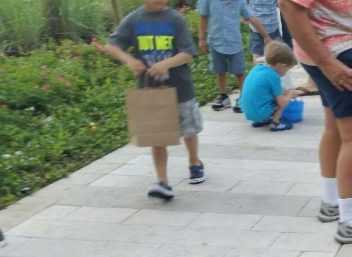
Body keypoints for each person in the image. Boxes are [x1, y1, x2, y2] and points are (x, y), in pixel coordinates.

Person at [280, 0, 352, 244]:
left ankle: (333, 203)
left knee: (336, 129)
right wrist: (327, 63)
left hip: (337, 46)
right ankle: (350, 222)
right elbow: (289, 5)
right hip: (336, 52)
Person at [95, 0, 205, 200]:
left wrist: (166, 64)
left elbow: (187, 53)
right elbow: (112, 46)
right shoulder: (134, 19)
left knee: (189, 130)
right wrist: (129, 60)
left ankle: (194, 161)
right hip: (151, 90)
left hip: (180, 87)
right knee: (157, 137)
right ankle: (163, 182)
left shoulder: (175, 19)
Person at [198, 0, 271, 113]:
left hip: (234, 42)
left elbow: (251, 17)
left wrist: (265, 36)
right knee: (220, 70)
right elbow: (203, 17)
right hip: (215, 41)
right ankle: (223, 96)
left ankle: (243, 98)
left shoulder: (239, 2)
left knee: (239, 71)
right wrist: (201, 39)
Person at [241, 41, 302, 131]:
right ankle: (275, 123)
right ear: (281, 66)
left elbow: (269, 87)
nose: (286, 73)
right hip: (259, 113)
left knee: (272, 96)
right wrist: (290, 94)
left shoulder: (258, 68)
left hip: (247, 111)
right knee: (282, 102)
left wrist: (284, 91)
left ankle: (261, 120)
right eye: (287, 69)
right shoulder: (274, 76)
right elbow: (282, 103)